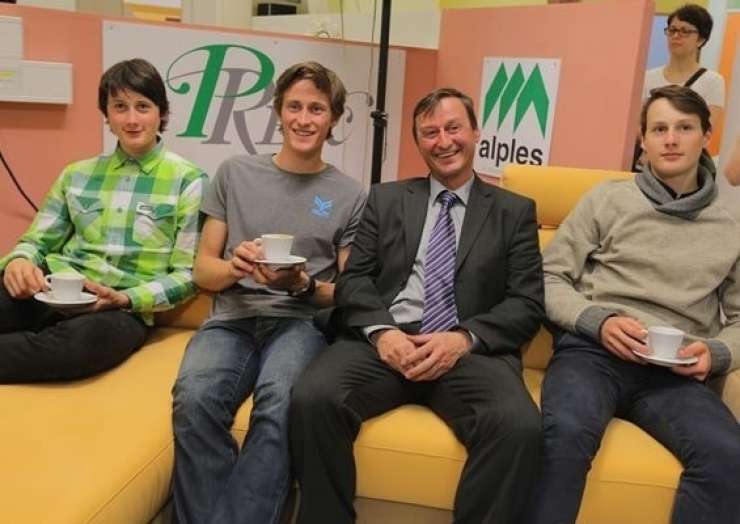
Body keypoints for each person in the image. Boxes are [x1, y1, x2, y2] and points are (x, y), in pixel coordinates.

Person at [289, 87, 545, 524]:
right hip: (385, 342)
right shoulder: (386, 199)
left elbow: (526, 302)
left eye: (453, 128)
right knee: (312, 398)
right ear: (418, 143)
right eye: (430, 133)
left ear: (475, 132)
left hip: (467, 351)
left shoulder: (514, 211)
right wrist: (382, 332)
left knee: (519, 427)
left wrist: (462, 339)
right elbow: (355, 279)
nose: (443, 141)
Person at [527, 85, 740, 524]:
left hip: (675, 373)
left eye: (684, 128)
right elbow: (547, 277)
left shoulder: (732, 220)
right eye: (659, 129)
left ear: (707, 136)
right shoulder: (607, 198)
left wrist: (716, 353)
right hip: (593, 354)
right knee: (564, 436)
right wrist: (598, 321)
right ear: (643, 140)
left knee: (728, 455)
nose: (671, 140)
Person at [171, 61, 366, 524]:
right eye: (294, 106)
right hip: (232, 317)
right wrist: (235, 266)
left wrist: (302, 284)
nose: (304, 119)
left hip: (301, 324)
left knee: (280, 403)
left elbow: (349, 291)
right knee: (194, 398)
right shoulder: (234, 173)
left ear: (334, 119)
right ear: (278, 111)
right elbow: (203, 270)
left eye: (317, 109)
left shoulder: (350, 194)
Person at [0, 58, 206, 383]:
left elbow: (188, 274)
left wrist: (126, 298)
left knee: (76, 347)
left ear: (162, 113)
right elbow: (36, 241)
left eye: (143, 106)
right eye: (120, 107)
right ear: (107, 116)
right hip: (54, 287)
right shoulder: (76, 175)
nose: (132, 119)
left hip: (120, 307)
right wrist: (19, 260)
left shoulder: (189, 180)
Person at [643, 4, 724, 130]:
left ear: (701, 40)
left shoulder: (712, 81)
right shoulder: (647, 77)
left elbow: (705, 130)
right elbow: (640, 125)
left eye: (685, 31)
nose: (676, 36)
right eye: (672, 30)